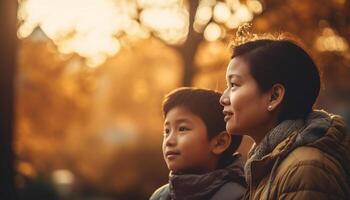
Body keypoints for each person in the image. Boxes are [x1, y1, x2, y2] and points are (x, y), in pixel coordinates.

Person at [220, 37, 350, 199]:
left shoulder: (304, 169)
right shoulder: (267, 164)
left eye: (234, 85)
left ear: (274, 97)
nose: (223, 98)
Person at [150, 87, 246, 200]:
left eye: (182, 129)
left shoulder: (240, 196)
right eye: (167, 131)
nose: (169, 141)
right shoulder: (160, 196)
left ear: (220, 143)